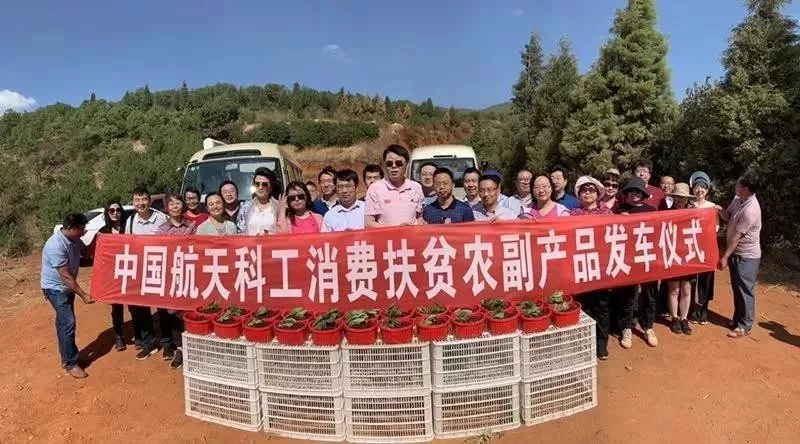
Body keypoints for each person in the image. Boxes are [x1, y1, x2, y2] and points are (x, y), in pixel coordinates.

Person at [41, 213, 94, 378]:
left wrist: (98, 240)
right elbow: (66, 277)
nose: (83, 231)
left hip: (66, 288)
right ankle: (71, 364)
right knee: (68, 323)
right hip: (56, 289)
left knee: (64, 323)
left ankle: (70, 357)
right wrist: (84, 295)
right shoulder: (55, 245)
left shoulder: (74, 239)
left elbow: (86, 252)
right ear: (70, 228)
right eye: (80, 229)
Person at [569, 176, 613, 359]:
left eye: (591, 190)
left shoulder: (607, 214)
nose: (587, 193)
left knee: (601, 306)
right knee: (583, 306)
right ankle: (585, 343)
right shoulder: (572, 215)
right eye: (584, 190)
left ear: (598, 193)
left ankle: (601, 343)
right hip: (580, 267)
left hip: (600, 267)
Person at [614, 177, 659, 349]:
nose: (634, 194)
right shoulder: (620, 210)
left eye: (638, 191)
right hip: (627, 258)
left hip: (647, 257)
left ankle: (648, 327)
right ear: (626, 194)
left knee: (649, 294)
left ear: (643, 194)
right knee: (627, 294)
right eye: (631, 191)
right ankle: (626, 327)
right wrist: (620, 219)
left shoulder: (652, 210)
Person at [718, 172, 762, 339]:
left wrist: (725, 257)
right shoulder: (738, 199)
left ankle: (745, 325)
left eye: (738, 184)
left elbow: (736, 237)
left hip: (747, 256)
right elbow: (728, 217)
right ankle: (738, 319)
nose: (735, 186)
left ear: (745, 189)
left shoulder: (751, 210)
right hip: (736, 252)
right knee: (737, 287)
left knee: (745, 290)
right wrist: (718, 210)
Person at [126, 186, 167, 360]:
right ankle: (149, 344)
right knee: (141, 308)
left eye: (144, 199)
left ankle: (168, 344)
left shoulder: (161, 218)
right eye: (137, 200)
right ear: (133, 202)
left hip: (160, 268)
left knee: (163, 307)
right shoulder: (130, 221)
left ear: (150, 201)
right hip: (140, 271)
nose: (140, 203)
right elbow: (127, 244)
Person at [156, 194, 196, 369]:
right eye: (171, 204)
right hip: (171, 275)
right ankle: (179, 348)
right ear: (167, 208)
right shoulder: (162, 229)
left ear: (183, 205)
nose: (174, 207)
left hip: (190, 273)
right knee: (172, 312)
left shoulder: (192, 226)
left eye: (177, 203)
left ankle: (192, 347)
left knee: (188, 311)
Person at [96, 199, 133, 352]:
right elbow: (100, 255)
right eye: (112, 210)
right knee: (116, 307)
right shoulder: (103, 232)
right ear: (107, 213)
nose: (115, 213)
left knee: (134, 304)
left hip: (131, 271)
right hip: (114, 275)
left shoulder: (129, 227)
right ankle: (119, 336)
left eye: (118, 210)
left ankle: (140, 335)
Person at [365, 144, 424, 227]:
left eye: (398, 163)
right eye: (389, 163)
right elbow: (368, 223)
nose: (394, 166)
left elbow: (420, 218)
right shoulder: (374, 188)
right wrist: (395, 230)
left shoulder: (416, 187)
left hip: (411, 235)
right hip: (386, 235)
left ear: (407, 164)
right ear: (384, 165)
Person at [665, 183, 695, 335]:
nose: (680, 200)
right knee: (674, 288)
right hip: (672, 254)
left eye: (683, 197)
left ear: (687, 199)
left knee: (686, 288)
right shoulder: (666, 213)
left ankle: (684, 318)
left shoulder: (693, 214)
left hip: (688, 255)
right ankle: (674, 317)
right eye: (677, 197)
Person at [689, 171, 718, 325]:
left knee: (706, 279)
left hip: (707, 247)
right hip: (691, 248)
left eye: (703, 187)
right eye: (697, 187)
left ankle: (704, 308)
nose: (699, 190)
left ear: (707, 190)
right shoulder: (689, 205)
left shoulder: (712, 207)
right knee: (692, 279)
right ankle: (692, 308)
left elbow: (716, 227)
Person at [237, 167, 282, 235]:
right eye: (257, 184)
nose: (260, 187)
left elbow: (283, 231)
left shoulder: (278, 207)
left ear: (271, 187)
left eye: (264, 184)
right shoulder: (245, 207)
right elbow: (241, 231)